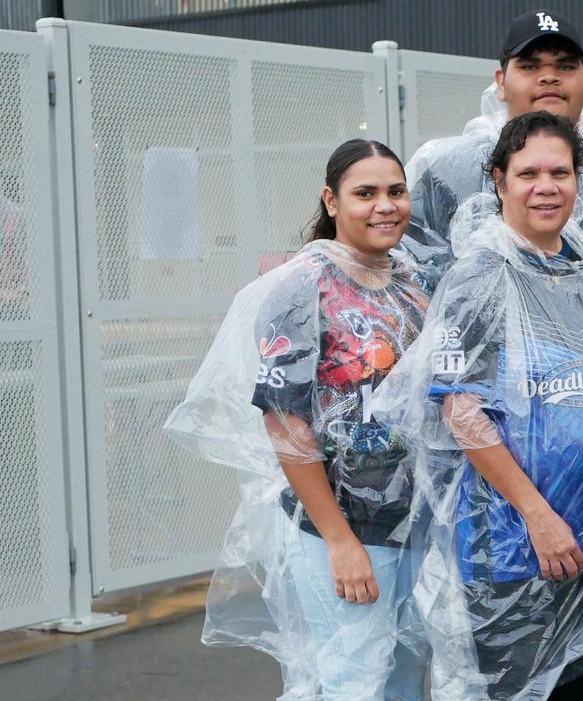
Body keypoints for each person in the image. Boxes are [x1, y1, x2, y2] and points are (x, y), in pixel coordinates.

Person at [370, 111, 583, 701]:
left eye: (559, 172)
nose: (546, 186)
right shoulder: (480, 278)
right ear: (499, 181)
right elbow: (461, 411)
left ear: (577, 181)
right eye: (528, 173)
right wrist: (539, 517)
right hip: (516, 543)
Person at [165, 139, 438, 701]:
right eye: (365, 193)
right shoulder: (302, 287)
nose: (385, 206)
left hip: (418, 522)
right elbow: (286, 425)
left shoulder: (416, 284)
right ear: (331, 201)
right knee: (351, 682)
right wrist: (339, 540)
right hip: (342, 526)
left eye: (396, 191)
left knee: (408, 677)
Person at [403, 8, 583, 299]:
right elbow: (407, 276)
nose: (549, 77)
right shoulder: (445, 167)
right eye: (530, 66)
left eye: (565, 67)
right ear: (501, 82)